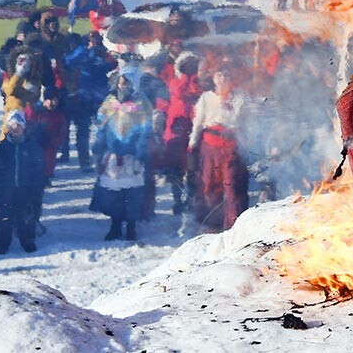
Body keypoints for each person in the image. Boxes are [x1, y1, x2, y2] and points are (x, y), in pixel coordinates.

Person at [90, 74, 154, 241]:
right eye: (120, 82)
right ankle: (115, 224)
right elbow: (102, 125)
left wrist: (141, 148)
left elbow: (147, 128)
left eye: (126, 83)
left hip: (132, 156)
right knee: (113, 193)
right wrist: (99, 143)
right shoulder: (110, 102)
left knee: (133, 193)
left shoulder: (141, 103)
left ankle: (131, 226)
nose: (122, 86)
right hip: (112, 155)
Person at [189, 70, 249, 231]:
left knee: (232, 186)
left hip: (231, 148)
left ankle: (234, 225)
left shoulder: (239, 98)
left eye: (226, 76)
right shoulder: (206, 97)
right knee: (209, 185)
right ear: (214, 78)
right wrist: (192, 144)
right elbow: (198, 122)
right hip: (210, 146)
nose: (222, 79)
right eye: (219, 75)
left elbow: (244, 123)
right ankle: (212, 224)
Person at [0, 111, 46, 254]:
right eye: (12, 126)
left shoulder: (31, 146)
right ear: (8, 127)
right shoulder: (2, 147)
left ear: (23, 127)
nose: (15, 129)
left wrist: (37, 188)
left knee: (26, 216)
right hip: (6, 189)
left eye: (18, 125)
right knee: (4, 217)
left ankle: (27, 240)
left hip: (25, 188)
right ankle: (2, 244)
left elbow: (39, 169)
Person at [156, 52, 202, 215]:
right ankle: (177, 201)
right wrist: (186, 77)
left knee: (192, 168)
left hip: (192, 129)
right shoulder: (176, 83)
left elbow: (196, 92)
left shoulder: (199, 83)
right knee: (176, 170)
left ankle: (189, 200)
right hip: (176, 132)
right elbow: (179, 92)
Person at [64, 32, 117, 170]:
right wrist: (86, 50)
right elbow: (69, 61)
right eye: (92, 41)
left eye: (97, 41)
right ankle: (84, 161)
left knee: (104, 128)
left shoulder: (102, 53)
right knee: (83, 130)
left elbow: (112, 65)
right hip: (82, 96)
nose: (94, 43)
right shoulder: (81, 51)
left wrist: (102, 54)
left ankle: (103, 159)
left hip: (100, 96)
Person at [1, 52, 45, 134]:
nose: (23, 64)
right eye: (20, 61)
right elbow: (11, 90)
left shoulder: (34, 81)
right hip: (11, 121)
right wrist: (18, 74)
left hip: (29, 121)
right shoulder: (8, 77)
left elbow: (31, 96)